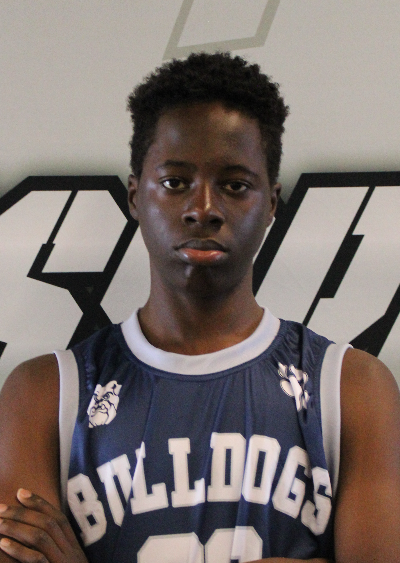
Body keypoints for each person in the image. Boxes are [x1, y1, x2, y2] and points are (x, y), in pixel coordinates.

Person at [0, 52, 399, 563]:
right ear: (135, 197)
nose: (203, 208)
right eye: (175, 182)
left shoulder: (352, 388)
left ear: (270, 203)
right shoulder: (44, 394)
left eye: (235, 185)